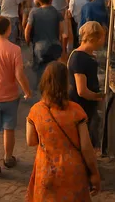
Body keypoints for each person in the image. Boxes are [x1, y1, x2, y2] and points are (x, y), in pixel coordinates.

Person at [26, 62, 101, 201]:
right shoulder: (76, 111)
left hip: (46, 170)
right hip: (73, 172)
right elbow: (86, 147)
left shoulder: (35, 111)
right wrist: (94, 173)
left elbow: (31, 141)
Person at [0, 16, 32, 176]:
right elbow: (19, 74)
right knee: (9, 128)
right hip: (10, 95)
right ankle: (8, 157)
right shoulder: (15, 49)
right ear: (9, 30)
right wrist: (27, 90)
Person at [68, 22, 106, 148]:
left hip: (86, 106)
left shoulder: (85, 55)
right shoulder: (80, 58)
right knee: (85, 140)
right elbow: (82, 91)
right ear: (96, 38)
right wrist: (98, 96)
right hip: (82, 107)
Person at [25, 0, 64, 90]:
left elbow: (27, 30)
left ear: (38, 0)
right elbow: (61, 31)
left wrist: (28, 41)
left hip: (39, 47)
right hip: (54, 45)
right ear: (51, 0)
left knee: (39, 71)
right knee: (53, 70)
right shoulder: (56, 12)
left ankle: (42, 90)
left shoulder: (34, 12)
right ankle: (52, 88)